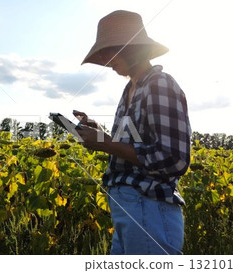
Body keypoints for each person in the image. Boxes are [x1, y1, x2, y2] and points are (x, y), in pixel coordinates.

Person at [75, 10, 191, 255]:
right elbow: (136, 145)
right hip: (128, 205)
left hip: (148, 205)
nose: (106, 60)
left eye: (110, 51)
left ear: (131, 48)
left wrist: (105, 143)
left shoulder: (159, 84)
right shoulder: (131, 88)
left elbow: (173, 158)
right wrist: (100, 133)